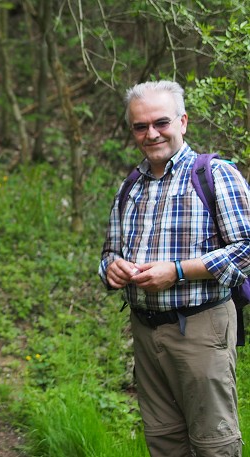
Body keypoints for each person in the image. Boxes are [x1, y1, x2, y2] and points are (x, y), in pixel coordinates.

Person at [98, 80, 250, 456]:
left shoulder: (215, 175)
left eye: (161, 123)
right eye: (140, 126)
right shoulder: (130, 186)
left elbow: (246, 249)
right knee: (164, 440)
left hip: (202, 327)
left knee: (213, 442)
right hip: (146, 331)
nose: (151, 134)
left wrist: (178, 271)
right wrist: (111, 268)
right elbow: (110, 251)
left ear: (183, 122)